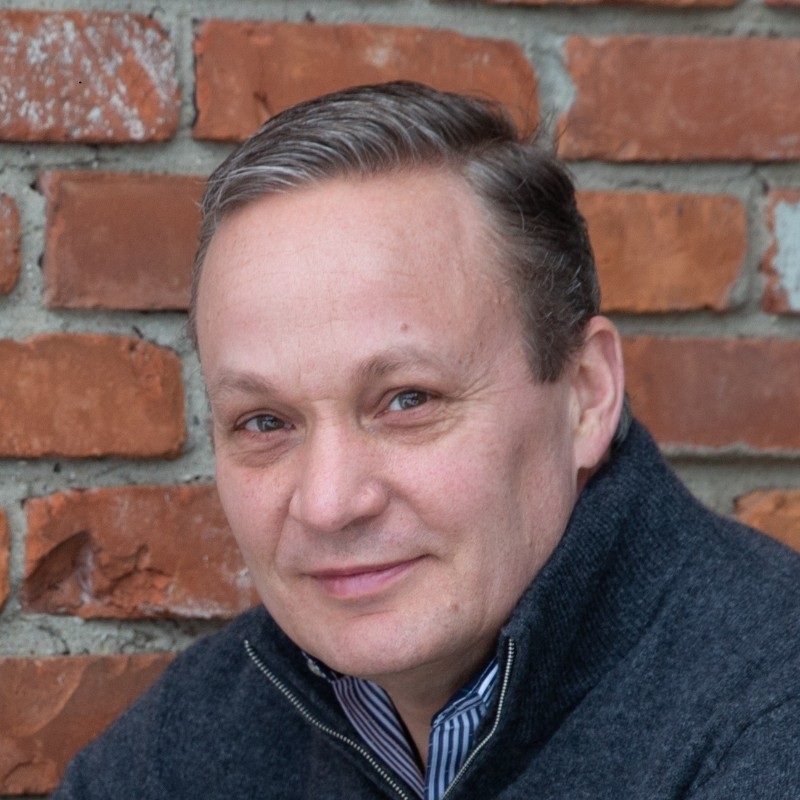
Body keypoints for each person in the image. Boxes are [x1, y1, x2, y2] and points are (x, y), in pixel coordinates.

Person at [54, 81, 800, 800]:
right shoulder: (188, 741)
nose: (329, 503)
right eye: (265, 422)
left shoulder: (769, 719)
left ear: (585, 396)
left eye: (407, 401)